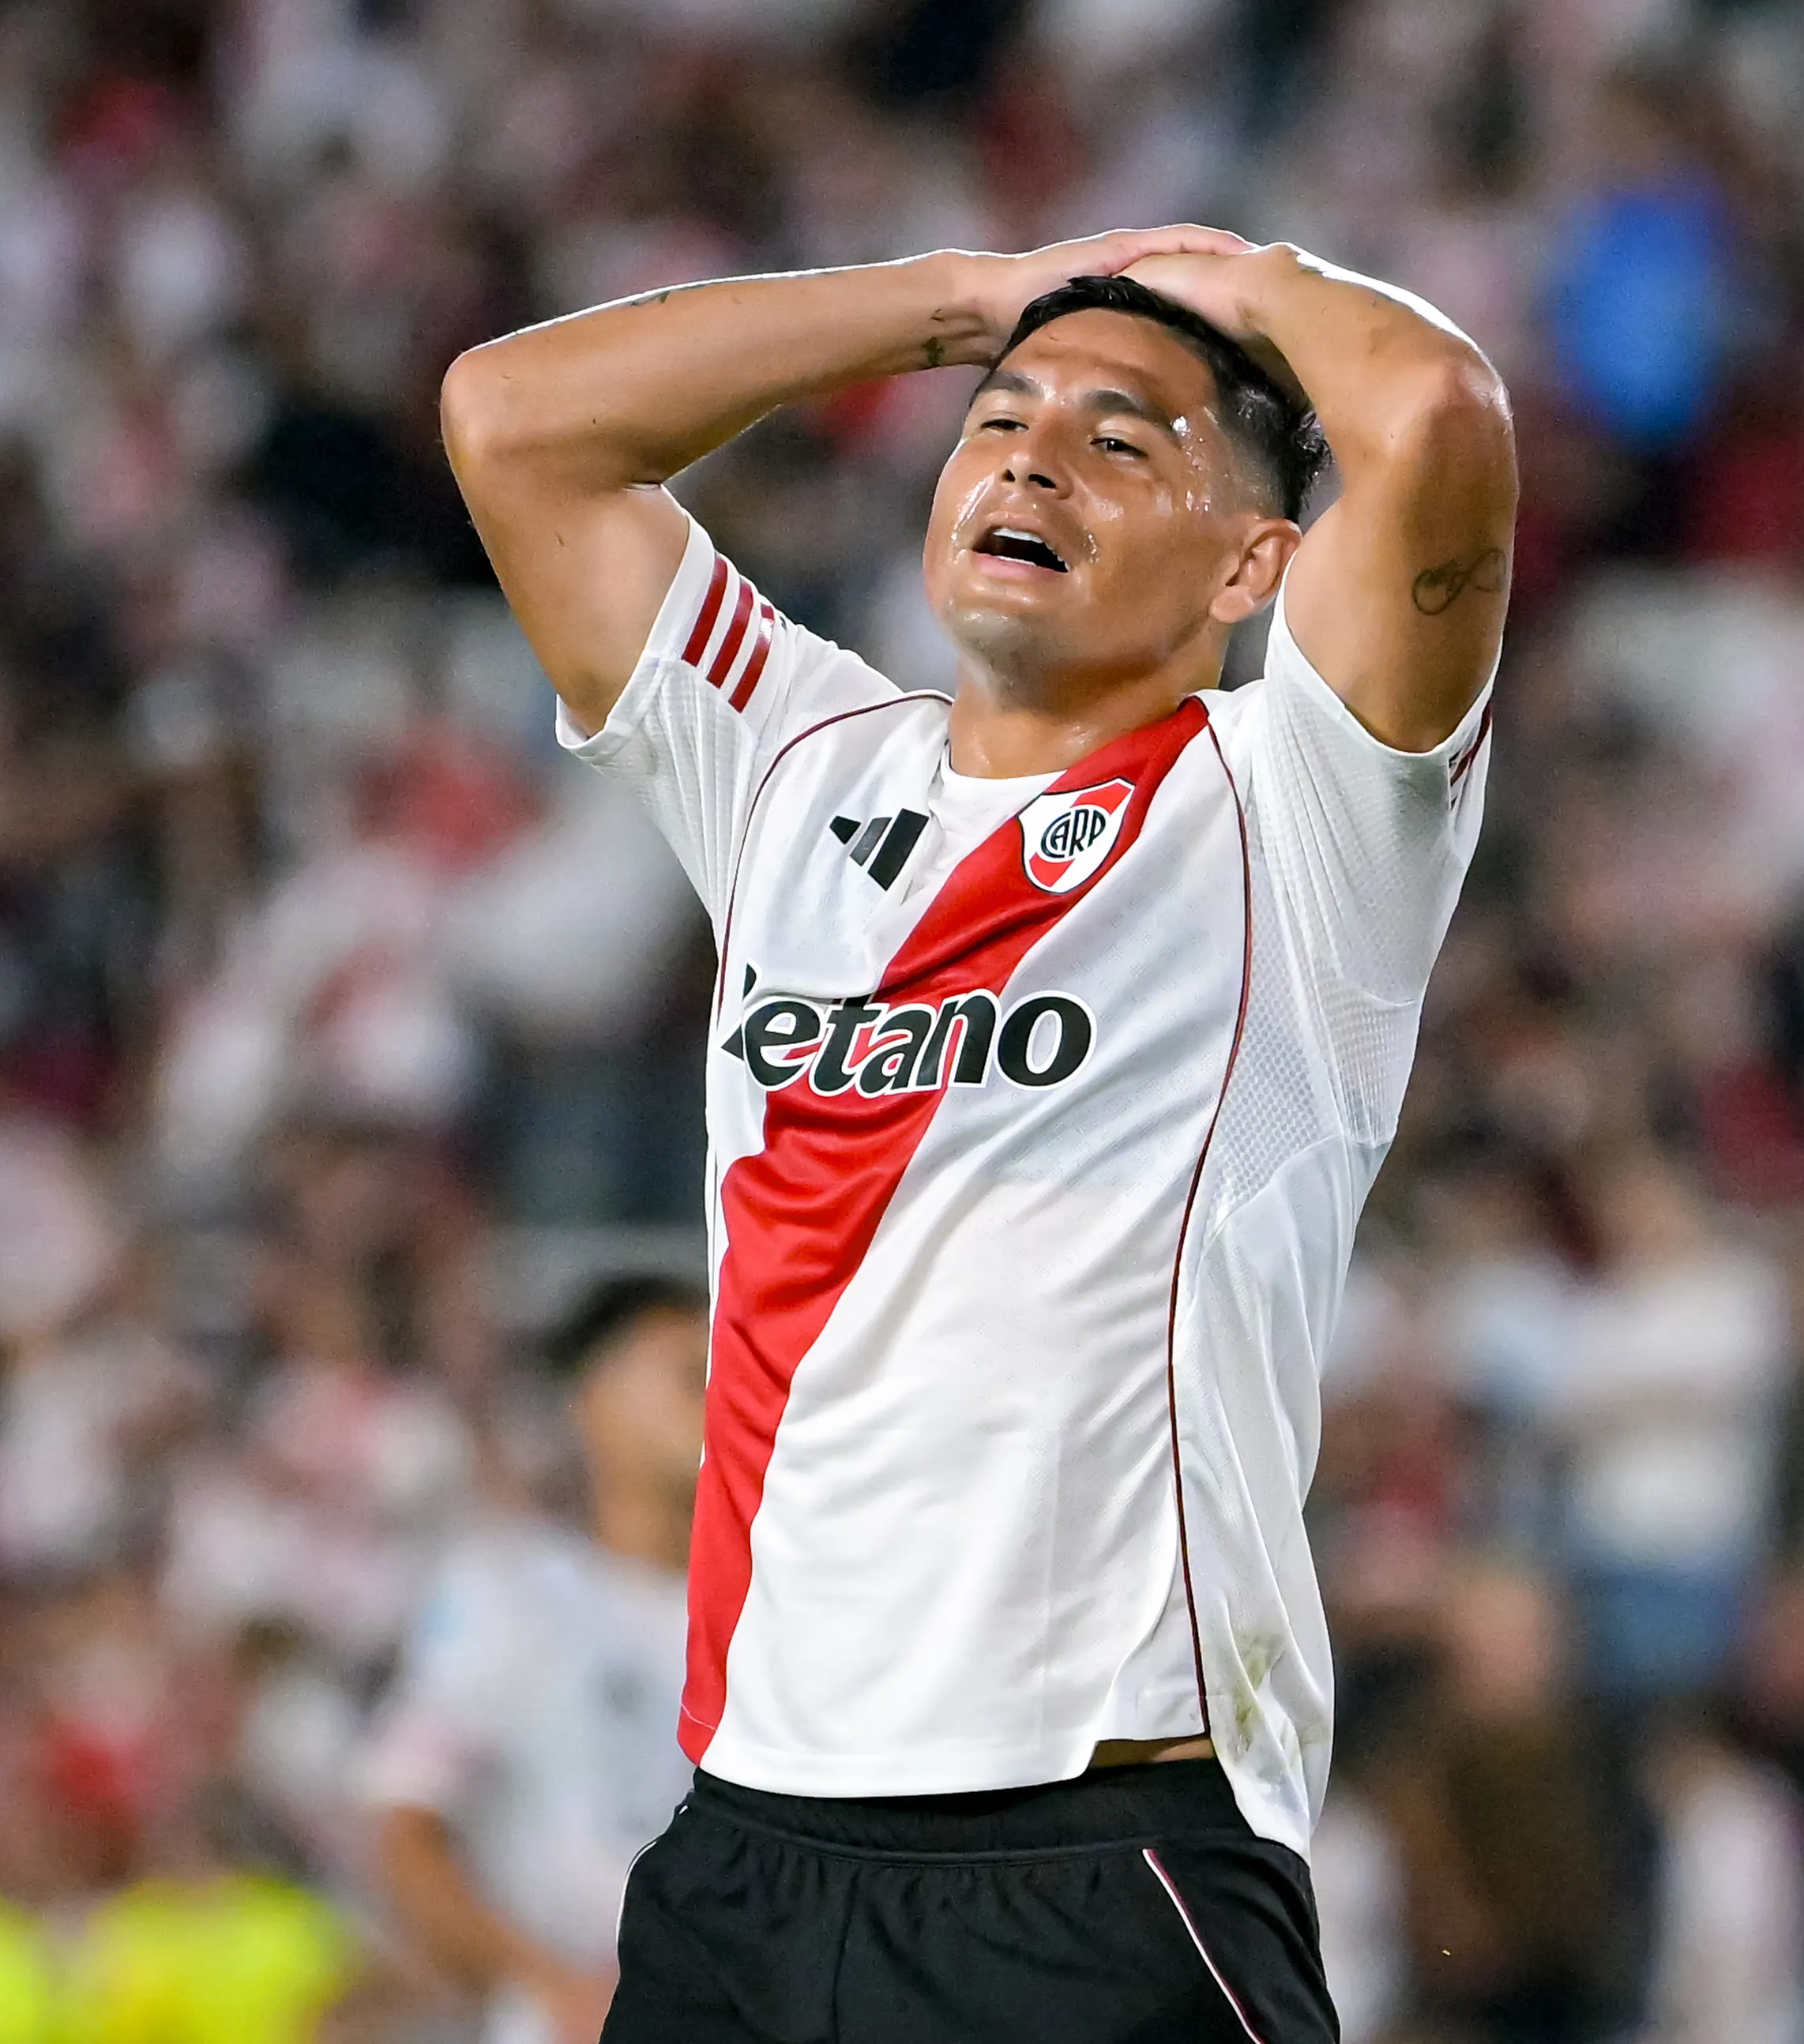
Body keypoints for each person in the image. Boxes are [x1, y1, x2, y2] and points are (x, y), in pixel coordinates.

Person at [441, 222, 1516, 2039]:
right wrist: (970, 296)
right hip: (745, 1858)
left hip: (1101, 1858)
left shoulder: (1294, 811)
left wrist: (1228, 277)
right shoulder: (793, 765)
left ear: (1252, 559)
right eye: (1000, 421)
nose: (1029, 457)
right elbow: (510, 420)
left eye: (1120, 439)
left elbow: (1430, 413)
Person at [362, 1275, 708, 2044]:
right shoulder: (509, 1593)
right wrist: (548, 1982)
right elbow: (406, 1829)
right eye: (688, 1374)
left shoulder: (783, 1613)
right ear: (590, 1400)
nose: (718, 1398)